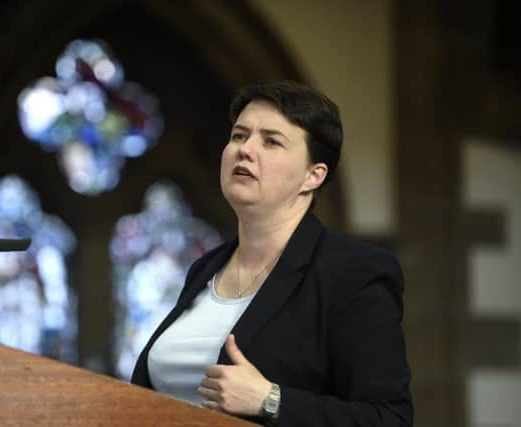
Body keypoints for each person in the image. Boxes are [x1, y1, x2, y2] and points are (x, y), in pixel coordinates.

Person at [131, 80, 413, 426]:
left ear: (313, 176)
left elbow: (389, 418)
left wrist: (270, 400)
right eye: (238, 136)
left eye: (271, 141)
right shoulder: (205, 268)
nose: (245, 150)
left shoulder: (354, 272)